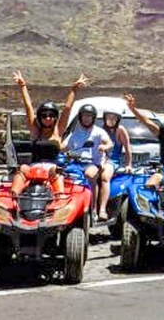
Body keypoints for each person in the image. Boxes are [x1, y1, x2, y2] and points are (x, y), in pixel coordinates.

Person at [55, 75, 114, 219]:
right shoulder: (75, 133)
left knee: (90, 175)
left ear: (93, 118)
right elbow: (64, 147)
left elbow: (109, 143)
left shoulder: (99, 132)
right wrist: (54, 147)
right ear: (80, 117)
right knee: (59, 176)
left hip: (92, 163)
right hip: (75, 163)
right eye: (84, 116)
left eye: (89, 116)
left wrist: (103, 147)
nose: (87, 118)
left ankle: (93, 209)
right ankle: (61, 207)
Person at [10, 70, 64, 195]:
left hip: (51, 169)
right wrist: (22, 86)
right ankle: (14, 198)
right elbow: (28, 107)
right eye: (44, 115)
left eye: (51, 115)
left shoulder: (58, 132)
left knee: (56, 171)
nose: (48, 118)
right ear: (40, 117)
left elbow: (67, 109)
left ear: (55, 117)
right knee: (22, 168)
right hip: (34, 168)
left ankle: (60, 198)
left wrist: (74, 90)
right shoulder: (35, 132)